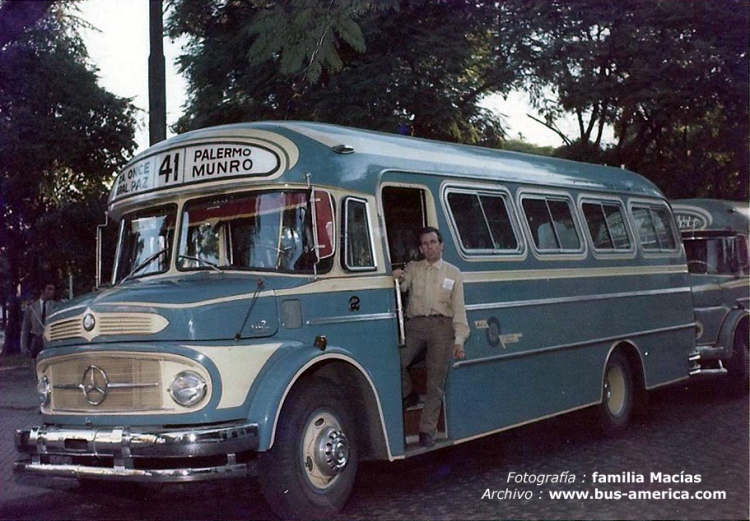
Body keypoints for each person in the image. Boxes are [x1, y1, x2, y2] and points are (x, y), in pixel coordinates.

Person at [393, 226, 469, 448]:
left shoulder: (453, 273)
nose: (429, 247)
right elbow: (403, 285)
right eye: (425, 244)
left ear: (441, 245)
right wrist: (396, 278)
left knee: (436, 380)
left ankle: (427, 431)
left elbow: (459, 309)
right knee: (395, 361)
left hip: (442, 326)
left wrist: (459, 340)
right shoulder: (414, 268)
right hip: (416, 324)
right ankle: (408, 393)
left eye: (433, 242)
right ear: (420, 248)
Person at [21, 282, 57, 360]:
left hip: (51, 342)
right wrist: (24, 347)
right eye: (49, 289)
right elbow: (25, 328)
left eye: (53, 289)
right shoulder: (32, 307)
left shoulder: (56, 306)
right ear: (42, 291)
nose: (52, 292)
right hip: (36, 343)